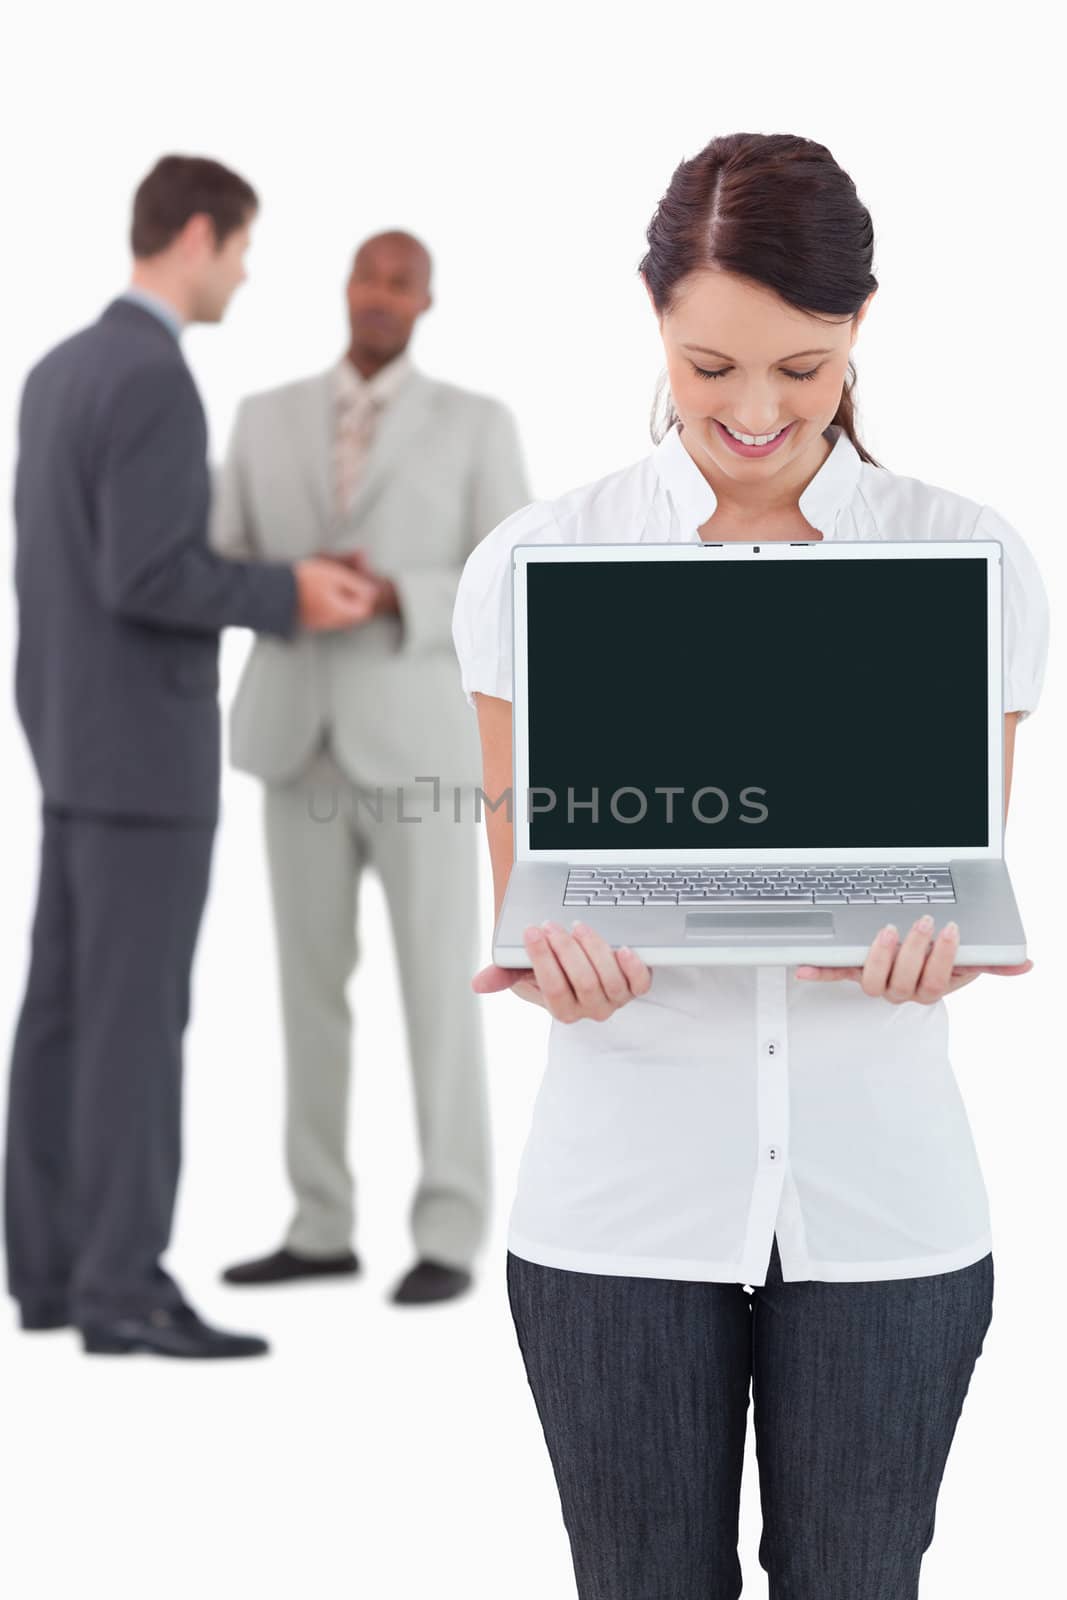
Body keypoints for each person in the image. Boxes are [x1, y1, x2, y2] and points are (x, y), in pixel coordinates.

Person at [451, 132, 1050, 1597]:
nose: (755, 411)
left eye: (803, 365)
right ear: (653, 322)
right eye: (708, 367)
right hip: (616, 1210)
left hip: (885, 1207)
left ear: (857, 328)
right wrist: (556, 974)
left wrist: (933, 950)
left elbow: (948, 868)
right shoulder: (536, 563)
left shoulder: (962, 556)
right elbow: (525, 898)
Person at [5, 154, 372, 1359]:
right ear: (198, 235)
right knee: (132, 1023)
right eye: (242, 248)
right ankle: (123, 1287)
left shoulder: (58, 369)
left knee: (63, 1011)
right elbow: (146, 572)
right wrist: (289, 593)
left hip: (66, 734)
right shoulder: (155, 378)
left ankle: (52, 1272)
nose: (246, 271)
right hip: (141, 754)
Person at [213, 231, 530, 1305]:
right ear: (346, 288)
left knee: (440, 988)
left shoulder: (476, 424)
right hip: (292, 737)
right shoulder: (260, 417)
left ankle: (448, 1222)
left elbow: (511, 582)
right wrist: (291, 580)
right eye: (367, 275)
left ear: (425, 300)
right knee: (306, 993)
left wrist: (397, 591)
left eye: (400, 281)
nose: (380, 295)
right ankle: (318, 1222)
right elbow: (217, 561)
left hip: (418, 749)